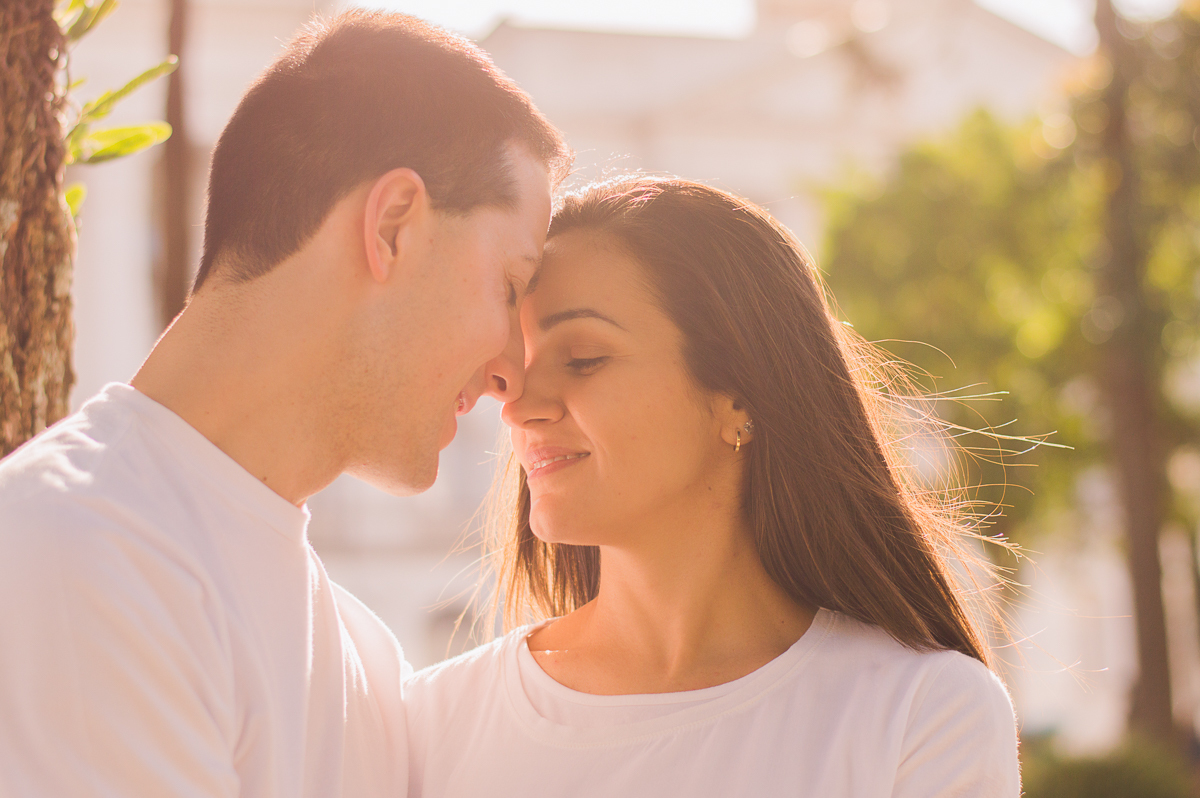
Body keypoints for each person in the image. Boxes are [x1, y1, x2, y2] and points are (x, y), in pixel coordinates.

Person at [0, 9, 569, 797]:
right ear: (393, 227)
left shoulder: (366, 661)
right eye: (509, 286)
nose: (513, 370)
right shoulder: (75, 552)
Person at [404, 177, 1021, 797]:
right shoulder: (430, 723)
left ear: (739, 397)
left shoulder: (920, 713)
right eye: (515, 368)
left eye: (584, 358)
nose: (518, 408)